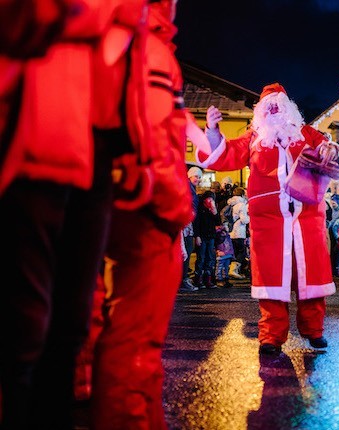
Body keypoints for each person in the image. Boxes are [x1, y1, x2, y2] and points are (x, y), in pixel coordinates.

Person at [0, 2, 148, 427]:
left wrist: (136, 153)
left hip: (92, 149)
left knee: (69, 323)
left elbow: (128, 74)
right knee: (26, 325)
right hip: (33, 139)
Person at [89, 1, 194, 428]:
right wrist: (172, 207)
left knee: (108, 332)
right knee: (135, 345)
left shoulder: (106, 35)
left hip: (113, 203)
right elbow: (150, 137)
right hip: (145, 212)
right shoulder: (144, 45)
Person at [199, 83, 339, 355]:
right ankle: (271, 336)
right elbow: (223, 155)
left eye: (279, 105)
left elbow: (332, 153)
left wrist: (329, 151)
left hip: (306, 217)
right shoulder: (253, 138)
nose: (274, 110)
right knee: (271, 282)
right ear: (261, 113)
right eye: (269, 106)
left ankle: (314, 331)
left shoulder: (306, 134)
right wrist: (211, 132)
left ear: (289, 108)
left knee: (310, 278)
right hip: (268, 221)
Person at [181, 166, 203, 291]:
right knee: (186, 252)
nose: (198, 179)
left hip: (187, 223)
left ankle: (183, 279)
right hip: (185, 224)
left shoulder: (191, 188)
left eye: (199, 177)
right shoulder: (188, 188)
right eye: (196, 176)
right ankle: (183, 280)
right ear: (190, 176)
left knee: (186, 251)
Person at [193, 191, 222, 288]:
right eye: (209, 199)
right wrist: (197, 236)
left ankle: (208, 279)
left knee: (210, 258)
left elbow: (218, 222)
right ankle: (198, 279)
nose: (210, 201)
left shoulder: (212, 210)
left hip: (211, 237)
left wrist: (214, 212)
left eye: (212, 199)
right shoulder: (200, 210)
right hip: (202, 236)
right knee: (201, 258)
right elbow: (196, 224)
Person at [228, 186, 250, 279]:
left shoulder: (231, 203)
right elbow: (244, 220)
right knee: (242, 252)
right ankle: (233, 270)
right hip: (239, 232)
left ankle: (234, 270)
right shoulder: (241, 205)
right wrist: (249, 218)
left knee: (235, 251)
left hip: (231, 231)